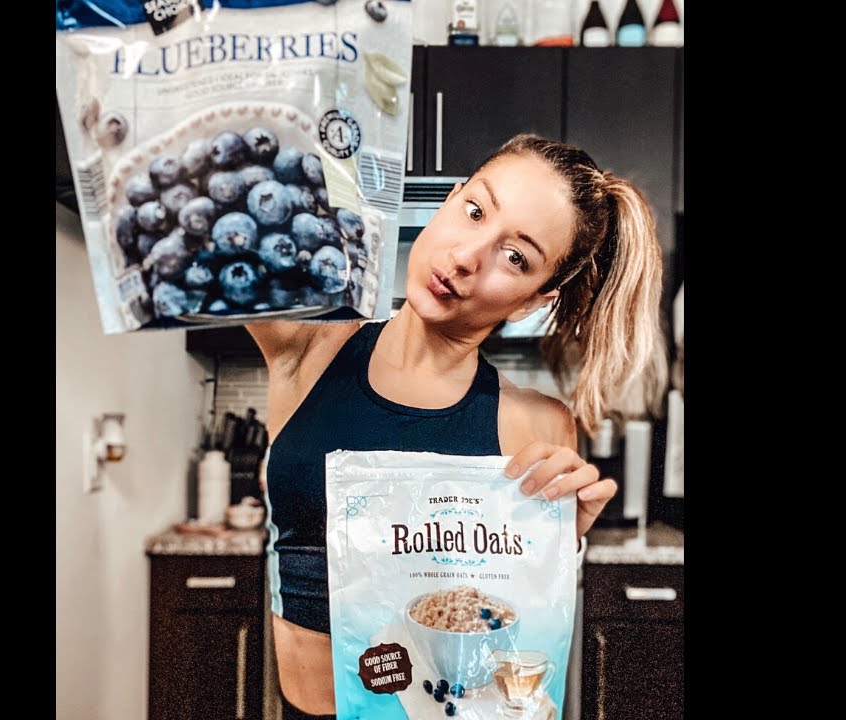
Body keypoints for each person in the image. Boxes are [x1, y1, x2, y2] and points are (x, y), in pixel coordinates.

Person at [246, 134, 668, 718]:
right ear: (450, 199)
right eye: (475, 210)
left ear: (533, 300)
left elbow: (515, 642)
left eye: (516, 257)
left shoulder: (537, 424)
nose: (468, 256)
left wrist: (554, 547)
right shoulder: (309, 342)